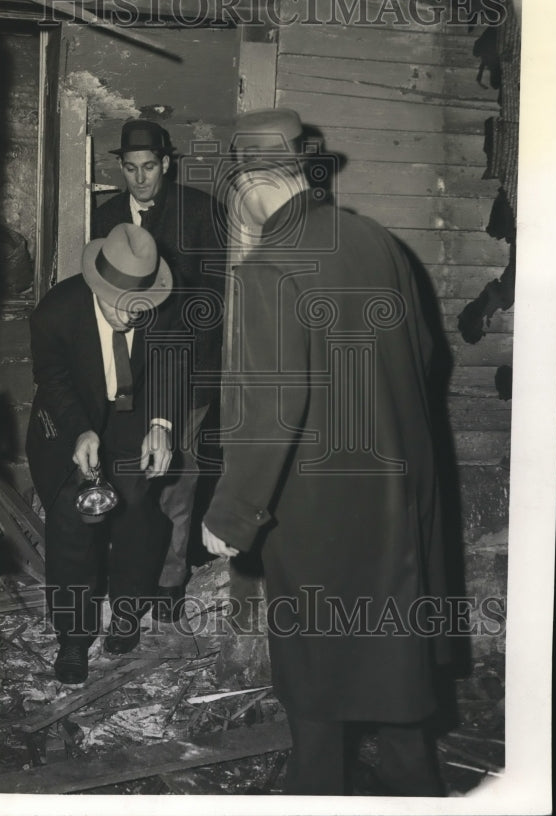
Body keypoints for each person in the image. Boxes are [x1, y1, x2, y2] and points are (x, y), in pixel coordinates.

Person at [202, 108, 448, 796]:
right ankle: (419, 788)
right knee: (393, 642)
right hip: (399, 486)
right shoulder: (377, 242)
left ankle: (315, 792)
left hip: (316, 502)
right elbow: (426, 359)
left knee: (315, 663)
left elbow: (270, 408)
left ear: (248, 182)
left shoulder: (268, 268)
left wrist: (232, 513)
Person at [26, 223, 177, 684]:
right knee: (75, 522)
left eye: (138, 307)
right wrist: (80, 433)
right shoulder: (56, 312)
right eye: (117, 304)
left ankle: (128, 614)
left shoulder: (163, 309)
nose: (129, 317)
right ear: (96, 285)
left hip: (136, 416)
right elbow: (53, 383)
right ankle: (74, 636)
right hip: (73, 415)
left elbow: (172, 365)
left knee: (137, 514)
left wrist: (161, 424)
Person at [93, 119, 224, 620]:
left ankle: (169, 582)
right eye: (130, 168)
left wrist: (179, 333)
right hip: (126, 374)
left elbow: (217, 298)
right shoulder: (106, 217)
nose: (140, 178)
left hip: (188, 371)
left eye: (149, 167)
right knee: (126, 475)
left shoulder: (199, 211)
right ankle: (128, 577)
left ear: (166, 164)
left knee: (176, 479)